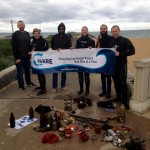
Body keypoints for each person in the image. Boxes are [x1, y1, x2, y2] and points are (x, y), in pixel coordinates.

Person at [109, 25, 135, 110]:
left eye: (115, 31)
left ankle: (125, 101)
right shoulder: (111, 42)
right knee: (116, 82)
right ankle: (118, 97)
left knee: (122, 83)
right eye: (112, 31)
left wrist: (120, 54)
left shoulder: (125, 40)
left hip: (122, 65)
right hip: (113, 65)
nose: (114, 33)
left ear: (119, 31)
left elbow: (132, 51)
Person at [12, 20, 35, 91]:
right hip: (19, 57)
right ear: (18, 26)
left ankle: (28, 83)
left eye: (22, 25)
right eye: (20, 25)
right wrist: (17, 58)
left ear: (24, 25)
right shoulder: (15, 34)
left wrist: (31, 49)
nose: (21, 26)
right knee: (20, 72)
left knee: (28, 71)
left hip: (27, 56)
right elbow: (14, 47)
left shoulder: (27, 33)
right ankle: (21, 86)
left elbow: (29, 44)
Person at [51, 22, 72, 93]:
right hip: (55, 58)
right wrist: (56, 49)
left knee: (63, 73)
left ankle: (63, 85)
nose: (61, 30)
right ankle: (54, 87)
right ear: (58, 29)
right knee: (55, 72)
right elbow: (52, 47)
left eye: (63, 29)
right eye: (60, 29)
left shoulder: (67, 37)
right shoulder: (54, 37)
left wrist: (70, 48)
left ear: (64, 29)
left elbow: (70, 47)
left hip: (64, 59)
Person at [76, 26, 95, 97]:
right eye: (83, 30)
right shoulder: (78, 40)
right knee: (80, 76)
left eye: (85, 30)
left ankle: (87, 90)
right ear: (81, 31)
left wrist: (92, 49)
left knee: (86, 77)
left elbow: (94, 52)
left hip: (87, 62)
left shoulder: (91, 41)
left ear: (87, 31)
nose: (84, 31)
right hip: (80, 62)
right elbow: (76, 50)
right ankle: (81, 89)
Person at [96, 24, 113, 98]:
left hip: (109, 60)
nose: (102, 30)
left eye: (104, 29)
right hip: (102, 60)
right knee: (102, 77)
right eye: (101, 29)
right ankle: (104, 91)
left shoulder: (111, 38)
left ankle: (108, 92)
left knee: (108, 77)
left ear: (106, 29)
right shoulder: (99, 38)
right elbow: (96, 48)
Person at [31, 28, 49, 95]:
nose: (36, 34)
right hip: (36, 60)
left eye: (38, 33)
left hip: (42, 60)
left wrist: (37, 50)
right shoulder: (33, 41)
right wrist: (32, 51)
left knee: (41, 74)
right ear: (33, 34)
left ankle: (43, 89)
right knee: (38, 74)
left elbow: (46, 48)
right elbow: (32, 48)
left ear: (39, 34)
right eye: (35, 33)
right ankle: (41, 86)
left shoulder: (43, 40)